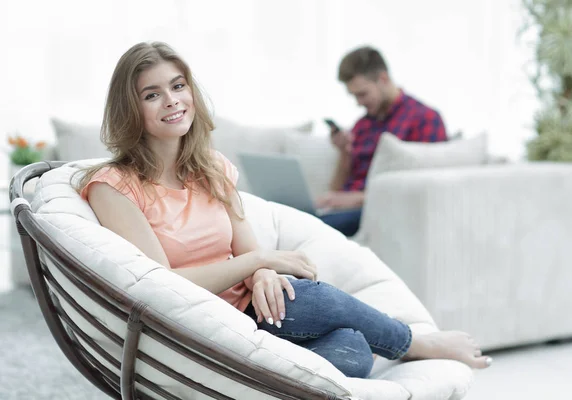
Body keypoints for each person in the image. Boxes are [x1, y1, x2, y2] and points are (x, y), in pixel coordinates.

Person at [74, 41, 491, 379]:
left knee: (354, 351)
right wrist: (259, 262)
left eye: (178, 86)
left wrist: (263, 273)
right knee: (318, 299)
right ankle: (417, 345)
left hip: (255, 313)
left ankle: (267, 362)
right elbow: (163, 284)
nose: (172, 100)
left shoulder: (211, 168)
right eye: (152, 94)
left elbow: (249, 248)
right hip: (204, 323)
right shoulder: (114, 187)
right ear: (131, 108)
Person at [317, 46, 448, 236]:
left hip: (375, 210)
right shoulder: (362, 125)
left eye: (362, 94)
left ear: (383, 79)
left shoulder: (425, 119)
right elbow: (336, 188)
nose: (358, 102)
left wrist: (357, 199)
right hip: (343, 209)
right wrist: (343, 152)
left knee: (307, 227)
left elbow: (422, 190)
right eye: (353, 96)